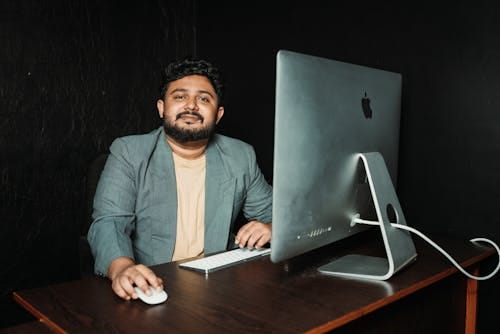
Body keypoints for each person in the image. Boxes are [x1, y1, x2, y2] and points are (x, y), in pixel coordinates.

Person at [87, 58, 273, 301]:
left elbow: (277, 214)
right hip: (153, 284)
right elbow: (109, 222)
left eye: (204, 98)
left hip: (219, 286)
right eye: (180, 97)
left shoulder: (240, 156)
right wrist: (122, 268)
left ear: (218, 114)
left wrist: (272, 228)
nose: (192, 106)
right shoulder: (129, 152)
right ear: (162, 107)